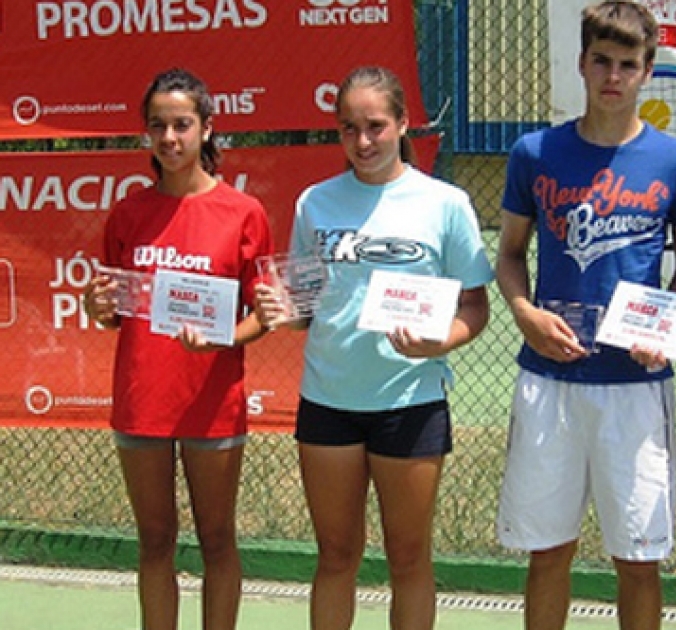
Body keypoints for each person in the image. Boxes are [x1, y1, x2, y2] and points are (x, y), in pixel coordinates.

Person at [254, 66, 493, 630]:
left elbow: (475, 308)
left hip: (409, 402)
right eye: (348, 128)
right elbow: (305, 303)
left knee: (408, 559)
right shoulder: (316, 202)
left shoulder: (446, 203)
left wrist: (441, 340)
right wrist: (283, 314)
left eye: (376, 126)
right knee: (336, 556)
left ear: (404, 123)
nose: (362, 142)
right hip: (329, 400)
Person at [493, 2, 676, 629]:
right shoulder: (536, 152)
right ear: (583, 63)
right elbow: (508, 254)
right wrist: (524, 311)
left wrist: (665, 329)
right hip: (550, 379)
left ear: (647, 72)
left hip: (635, 387)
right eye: (602, 62)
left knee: (638, 559)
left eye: (629, 65)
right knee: (548, 552)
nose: (614, 76)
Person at [82, 68, 274, 630]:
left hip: (213, 404)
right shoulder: (128, 214)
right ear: (146, 134)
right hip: (143, 401)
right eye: (158, 126)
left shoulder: (243, 213)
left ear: (207, 129)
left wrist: (223, 336)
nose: (169, 138)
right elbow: (114, 313)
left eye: (182, 125)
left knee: (217, 541)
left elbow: (263, 316)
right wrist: (99, 311)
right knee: (154, 542)